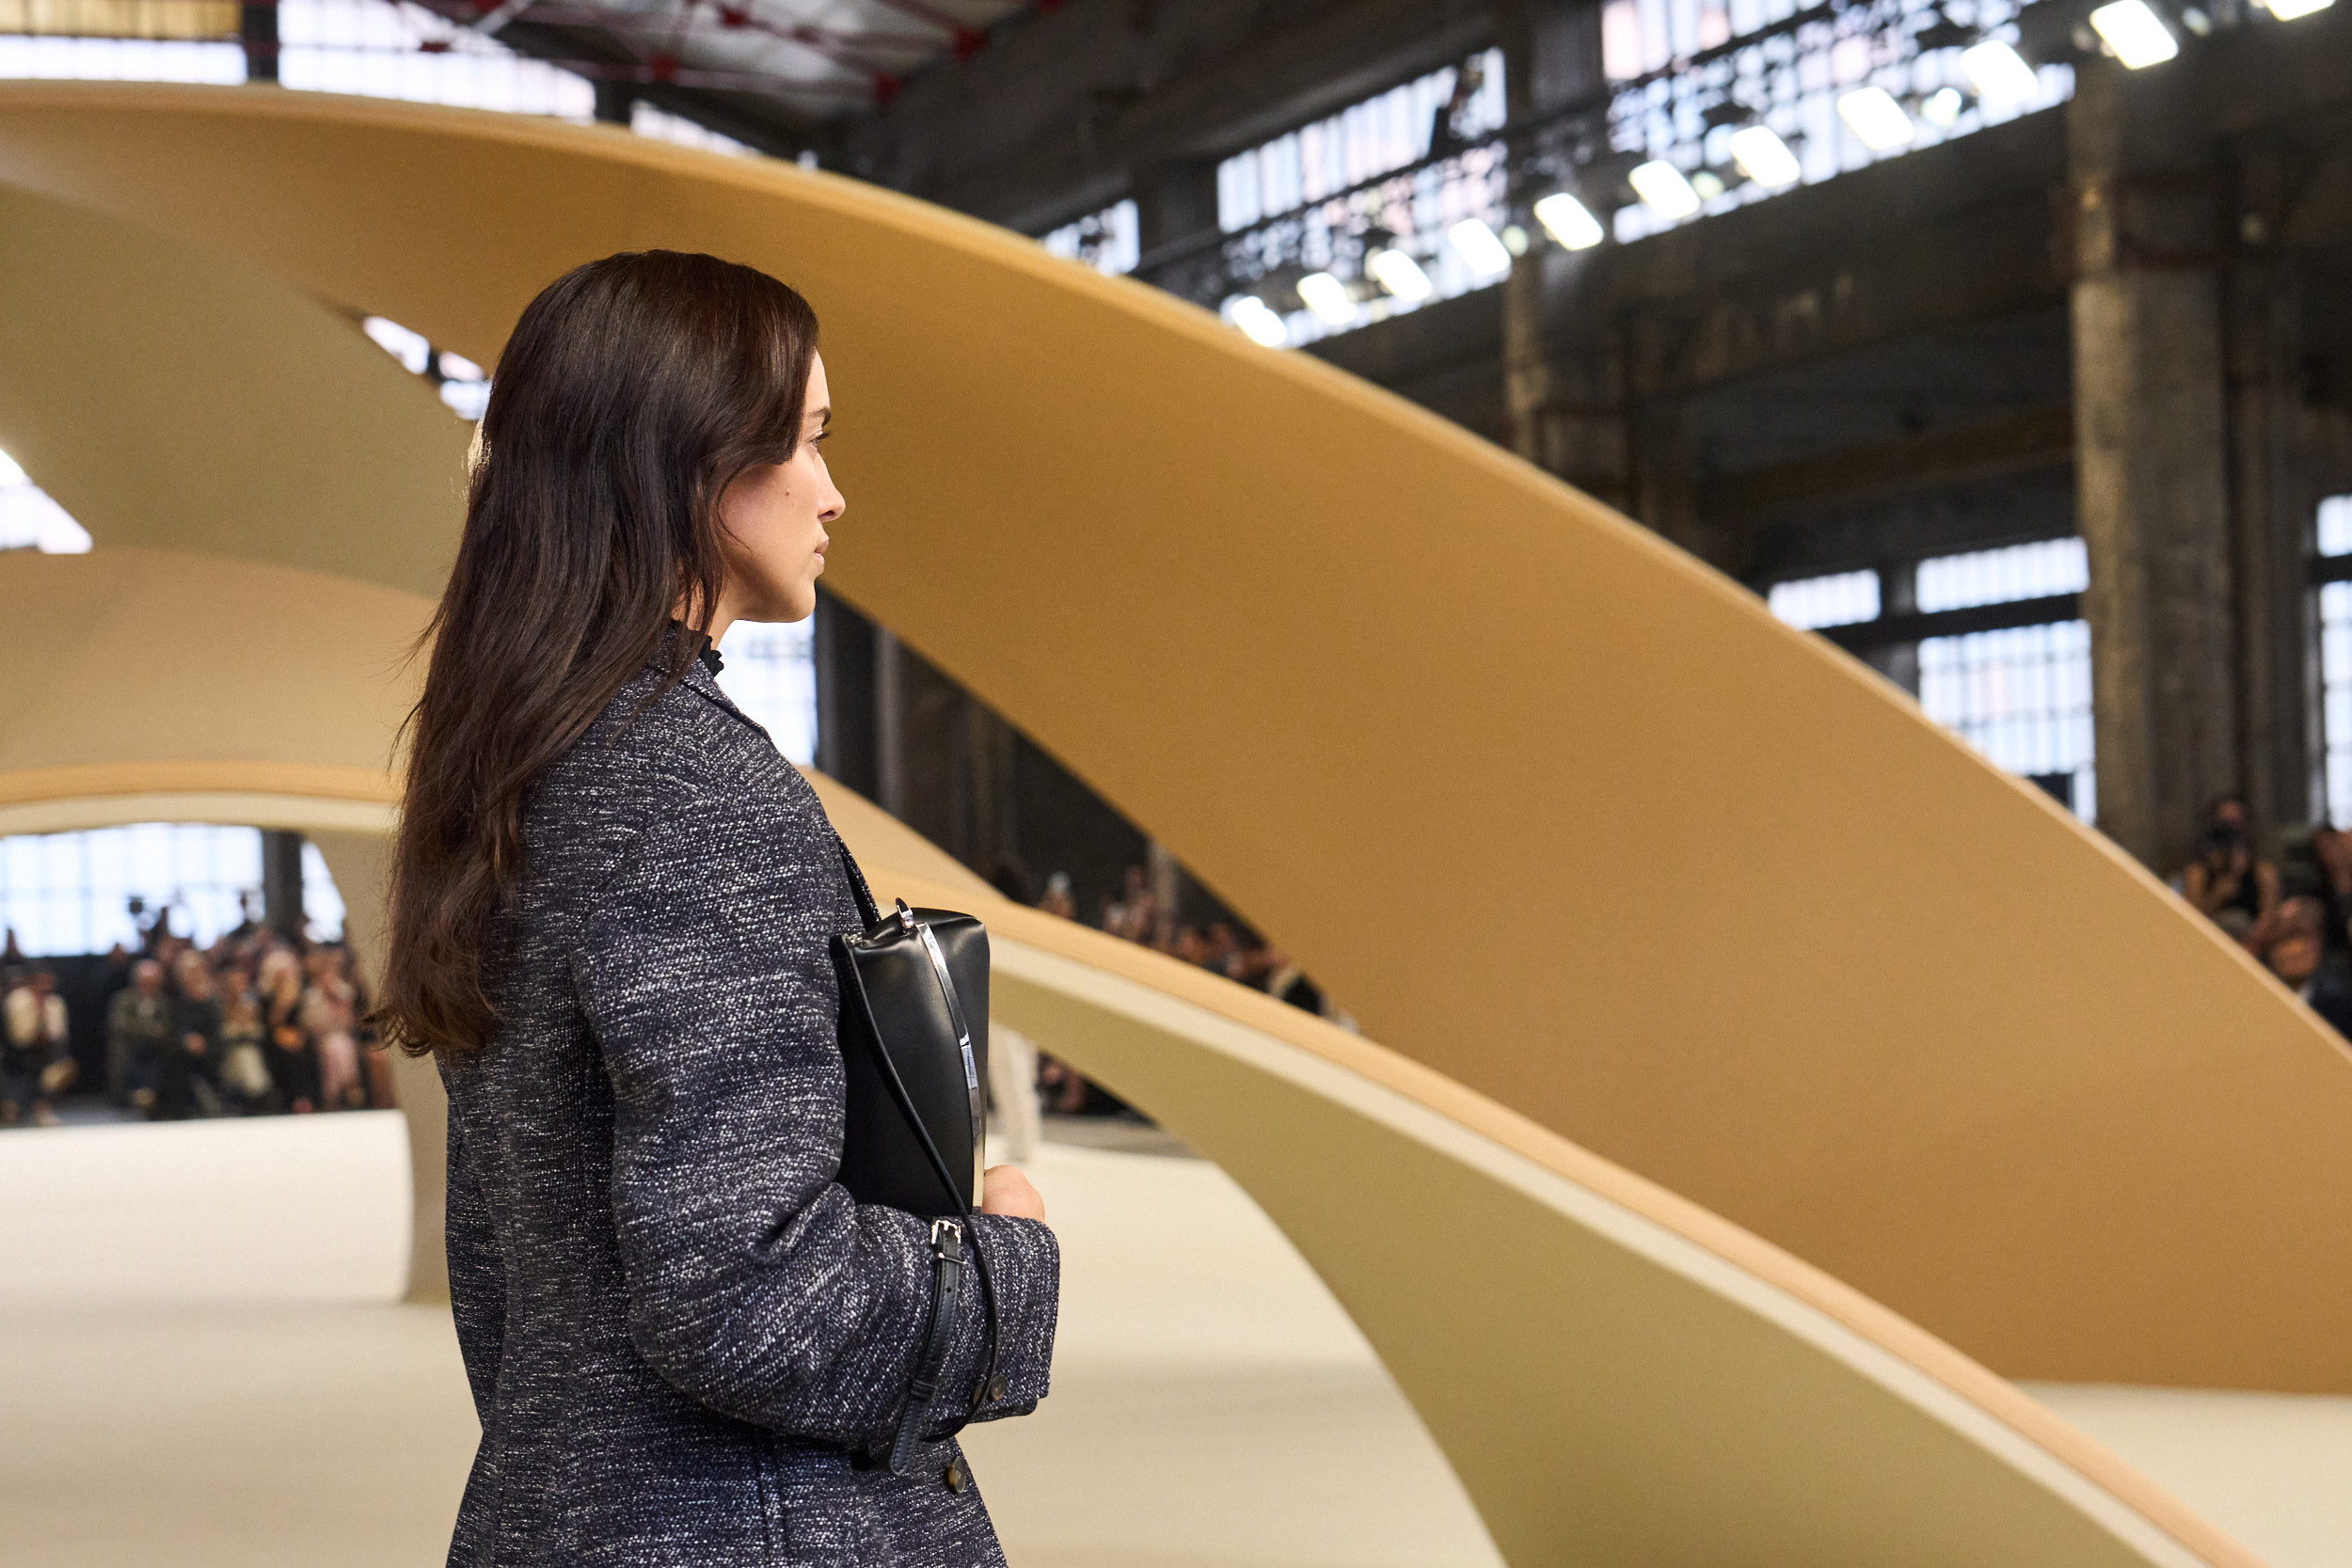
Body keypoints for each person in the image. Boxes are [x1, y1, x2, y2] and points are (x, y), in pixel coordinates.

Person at [372, 251, 1059, 1566]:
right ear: (693, 464)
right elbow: (746, 1292)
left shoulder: (523, 764)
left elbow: (510, 1257)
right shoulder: (689, 790)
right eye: (805, 443)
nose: (834, 492)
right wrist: (1007, 1255)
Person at [3, 967, 71, 1127]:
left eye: (48, 982)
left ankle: (42, 1106)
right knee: (25, 1068)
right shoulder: (17, 1000)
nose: (44, 987)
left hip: (46, 1052)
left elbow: (58, 1034)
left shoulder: (55, 1003)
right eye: (40, 982)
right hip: (17, 1052)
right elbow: (17, 1036)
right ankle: (16, 1105)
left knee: (60, 1067)